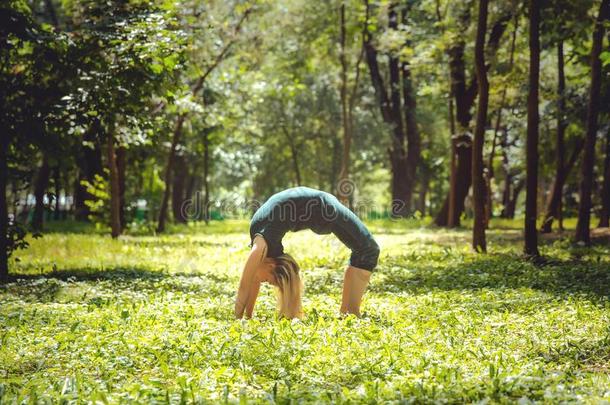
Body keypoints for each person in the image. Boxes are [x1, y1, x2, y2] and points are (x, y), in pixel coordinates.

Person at [235, 186, 380, 319]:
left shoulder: (260, 248)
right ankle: (348, 313)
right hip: (317, 211)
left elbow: (244, 285)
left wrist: (237, 320)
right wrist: (248, 317)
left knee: (368, 250)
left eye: (267, 281)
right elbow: (252, 280)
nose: (264, 282)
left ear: (271, 266)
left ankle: (350, 313)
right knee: (365, 250)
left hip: (323, 209)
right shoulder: (264, 249)